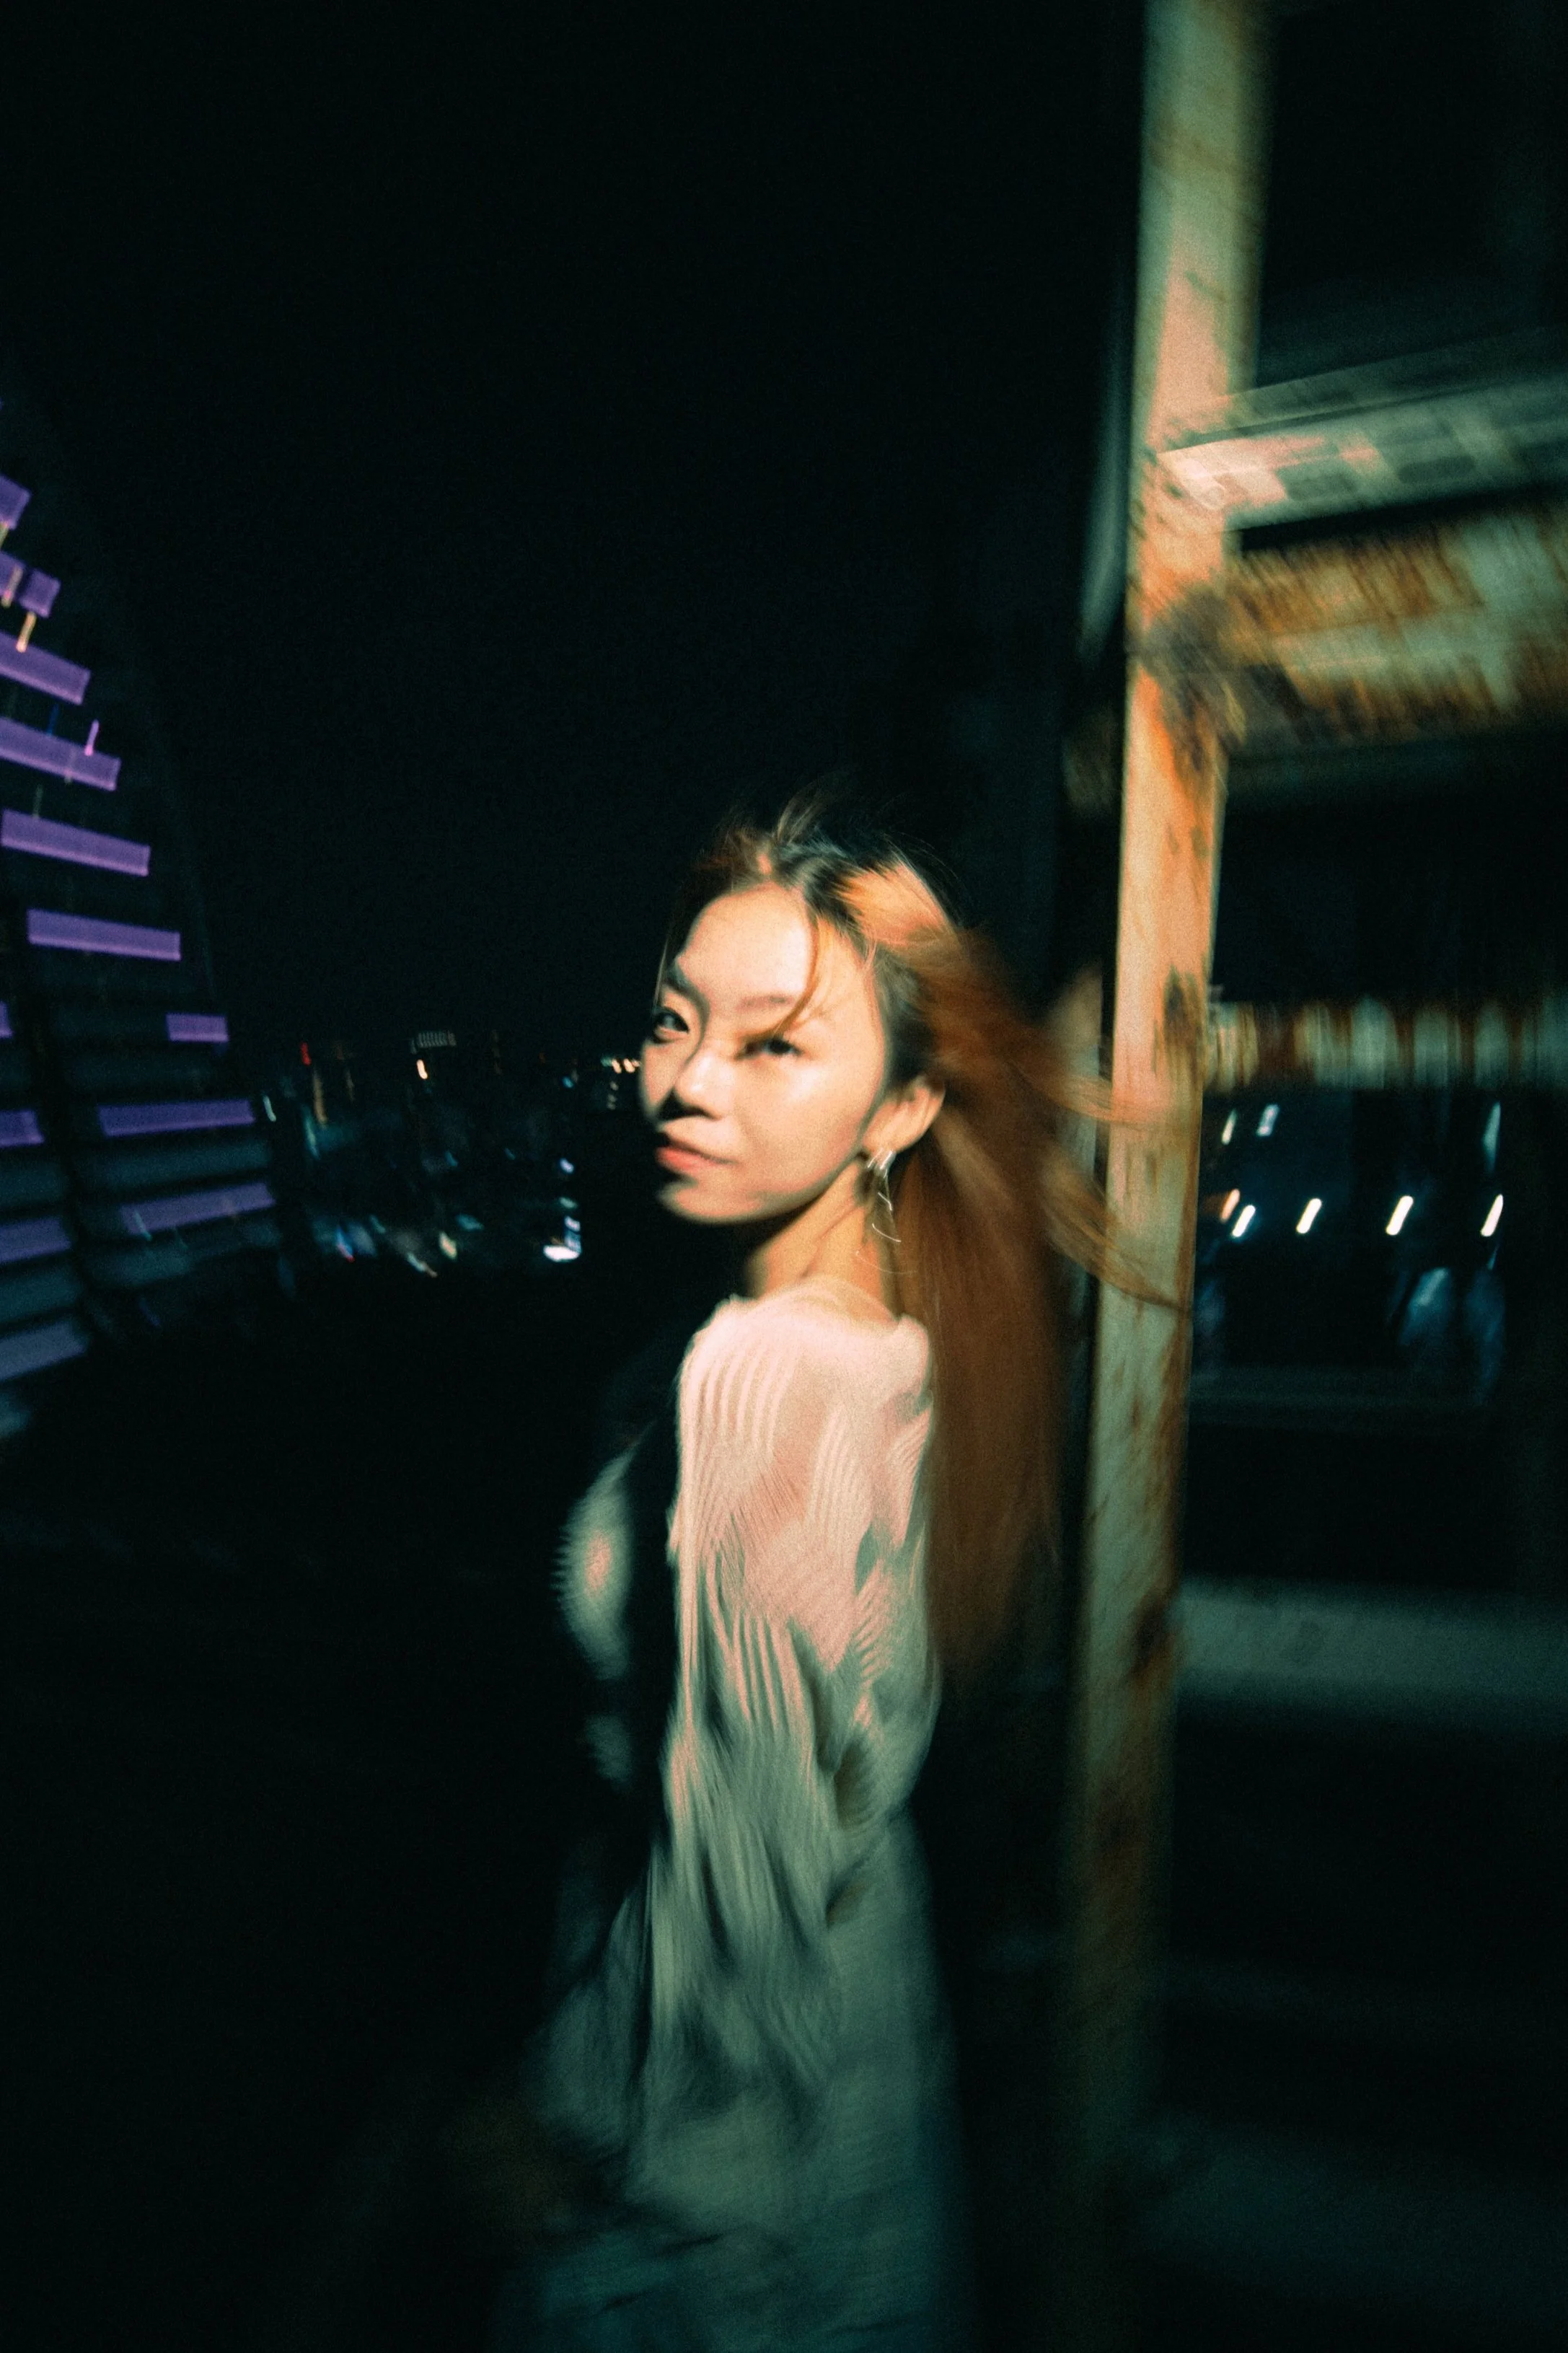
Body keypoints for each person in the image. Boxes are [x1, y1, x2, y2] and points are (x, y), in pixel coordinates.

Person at [468, 797, 1109, 2352]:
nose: (686, 1079)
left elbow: (739, 1928)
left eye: (773, 1044)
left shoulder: (766, 1376)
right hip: (863, 2081)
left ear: (900, 1111)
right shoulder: (889, 1338)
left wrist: (559, 2119)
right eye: (672, 1021)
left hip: (711, 2179)